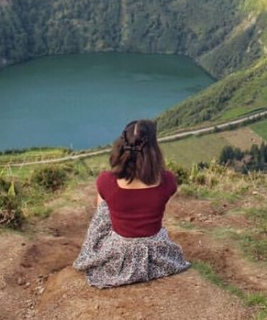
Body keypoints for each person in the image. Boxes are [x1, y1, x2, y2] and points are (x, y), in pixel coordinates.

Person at [73, 119, 190, 288]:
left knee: (105, 207)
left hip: (121, 251)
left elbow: (102, 207)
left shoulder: (106, 181)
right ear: (153, 149)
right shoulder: (168, 180)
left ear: (121, 145)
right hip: (157, 250)